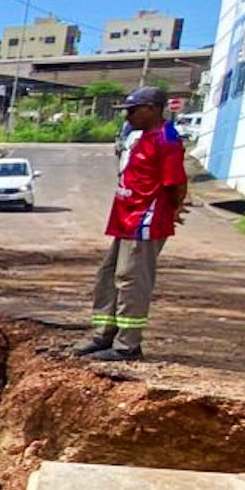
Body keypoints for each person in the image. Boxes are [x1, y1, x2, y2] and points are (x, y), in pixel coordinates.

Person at [72, 84, 187, 361]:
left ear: (152, 109)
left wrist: (173, 208)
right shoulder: (143, 137)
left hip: (145, 221)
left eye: (133, 111)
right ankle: (104, 334)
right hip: (126, 219)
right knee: (108, 275)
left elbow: (176, 182)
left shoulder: (166, 140)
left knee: (131, 280)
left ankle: (127, 346)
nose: (128, 116)